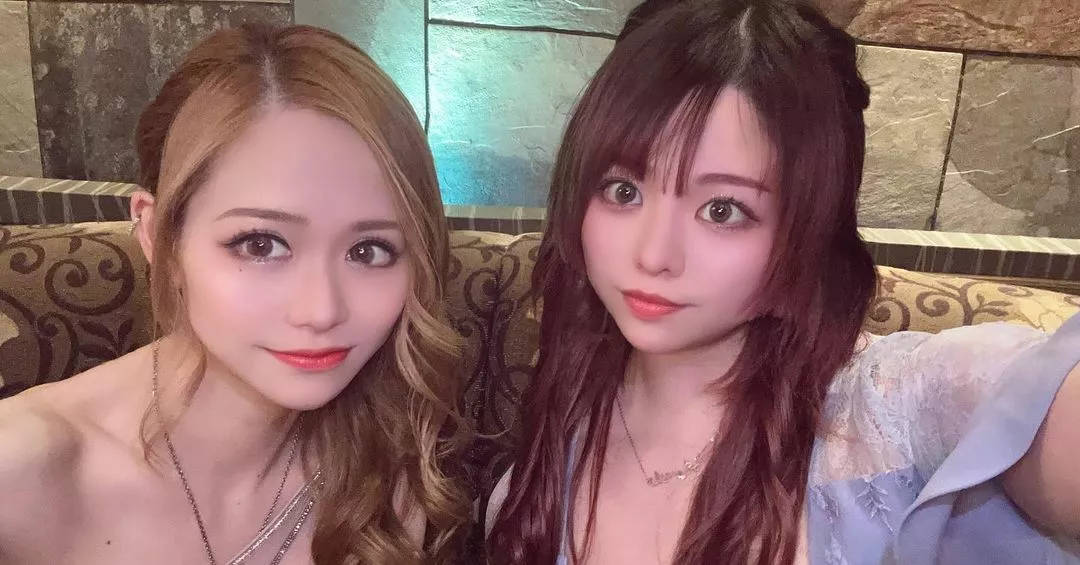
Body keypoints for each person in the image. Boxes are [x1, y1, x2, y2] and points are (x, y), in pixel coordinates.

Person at [485, 1, 1080, 564]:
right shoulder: (532, 486)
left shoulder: (897, 408)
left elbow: (1027, 397)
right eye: (624, 191)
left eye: (722, 210)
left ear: (808, 226)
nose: (654, 255)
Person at [0, 24, 468, 565]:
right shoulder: (19, 474)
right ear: (158, 236)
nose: (321, 311)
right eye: (260, 244)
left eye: (369, 251)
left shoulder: (389, 458)